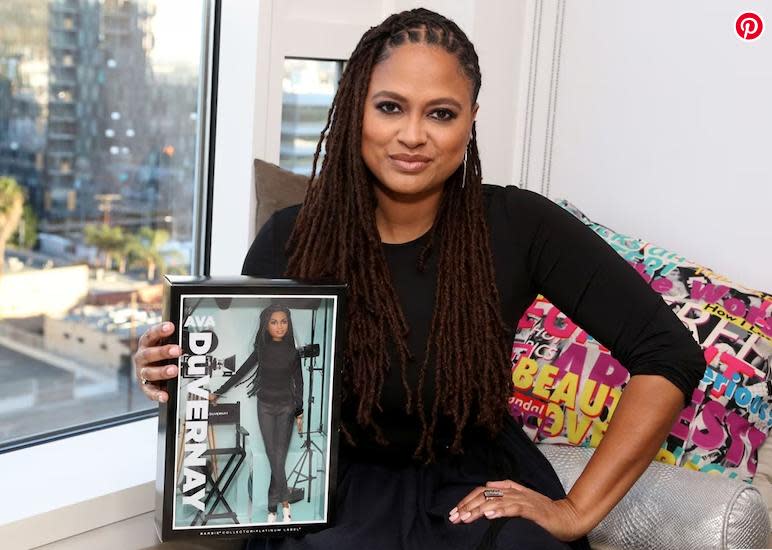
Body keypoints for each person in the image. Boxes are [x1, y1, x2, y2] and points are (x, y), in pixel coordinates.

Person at [133, 8, 705, 549]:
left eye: (440, 113)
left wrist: (575, 510)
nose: (413, 135)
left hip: (477, 489)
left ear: (470, 121)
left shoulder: (521, 225)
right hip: (334, 498)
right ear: (356, 107)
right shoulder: (291, 237)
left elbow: (668, 352)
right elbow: (246, 376)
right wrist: (172, 371)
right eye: (390, 107)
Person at [208, 304, 304, 524]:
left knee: (277, 458)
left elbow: (300, 383)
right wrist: (218, 393)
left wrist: (299, 411)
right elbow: (241, 372)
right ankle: (284, 503)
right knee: (274, 456)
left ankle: (273, 509)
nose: (279, 326)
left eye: (284, 322)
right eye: (274, 322)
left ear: (288, 324)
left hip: (287, 407)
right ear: (266, 325)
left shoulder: (293, 353)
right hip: (266, 407)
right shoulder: (261, 351)